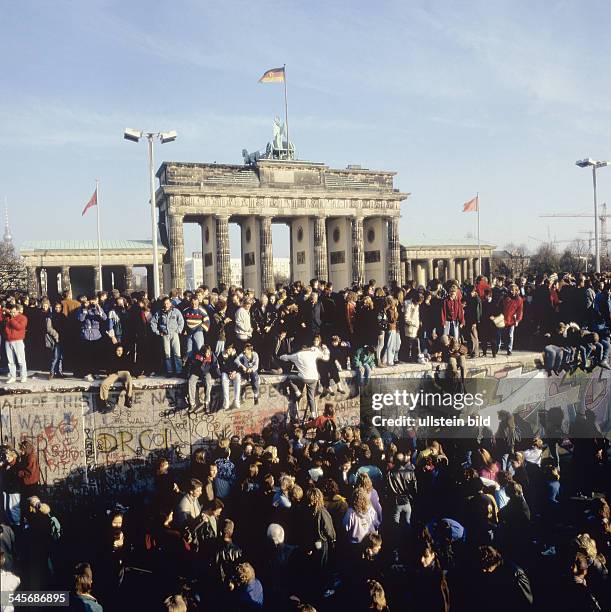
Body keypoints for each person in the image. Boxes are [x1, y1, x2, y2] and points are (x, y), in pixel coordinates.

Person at [280, 342, 330, 421]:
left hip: (303, 378)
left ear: (300, 349)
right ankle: (313, 414)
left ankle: (298, 393)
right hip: (314, 378)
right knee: (311, 396)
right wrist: (325, 348)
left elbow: (285, 358)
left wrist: (280, 356)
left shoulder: (297, 355)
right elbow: (326, 357)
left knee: (289, 378)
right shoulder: (313, 353)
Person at [150, 297, 185, 376]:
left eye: (168, 303)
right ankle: (169, 371)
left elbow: (181, 321)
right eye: (165, 303)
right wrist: (158, 332)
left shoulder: (176, 311)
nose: (166, 305)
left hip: (174, 334)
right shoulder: (159, 312)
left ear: (171, 303)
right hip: (165, 335)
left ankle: (179, 371)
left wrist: (178, 330)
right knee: (167, 354)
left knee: (177, 353)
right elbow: (153, 322)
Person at [76, 296, 107, 380]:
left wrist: (98, 307)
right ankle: (87, 373)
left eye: (94, 301)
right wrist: (85, 309)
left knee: (96, 355)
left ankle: (95, 372)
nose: (92, 303)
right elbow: (80, 319)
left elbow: (104, 318)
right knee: (86, 356)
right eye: (91, 301)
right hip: (86, 335)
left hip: (96, 335)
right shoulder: (81, 308)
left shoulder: (97, 308)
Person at [99, 344, 133, 411]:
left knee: (129, 379)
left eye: (121, 350)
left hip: (124, 373)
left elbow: (130, 368)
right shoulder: (111, 358)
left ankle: (128, 399)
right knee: (104, 384)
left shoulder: (125, 357)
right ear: (115, 351)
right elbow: (108, 369)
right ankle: (104, 402)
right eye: (118, 350)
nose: (120, 352)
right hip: (115, 373)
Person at [186, 344, 218, 412]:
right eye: (207, 353)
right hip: (196, 372)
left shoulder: (211, 355)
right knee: (191, 381)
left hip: (206, 372)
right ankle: (192, 403)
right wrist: (188, 374)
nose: (209, 354)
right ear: (203, 352)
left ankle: (206, 403)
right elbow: (190, 365)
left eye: (209, 352)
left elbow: (215, 365)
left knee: (208, 381)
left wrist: (218, 375)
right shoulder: (197, 356)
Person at [1, 304, 28, 383]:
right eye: (11, 312)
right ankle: (13, 377)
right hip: (8, 341)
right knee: (10, 361)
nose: (12, 314)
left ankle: (24, 376)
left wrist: (11, 319)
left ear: (18, 311)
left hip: (18, 341)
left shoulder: (23, 318)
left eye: (14, 312)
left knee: (21, 360)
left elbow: (19, 327)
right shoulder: (7, 318)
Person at [46, 302, 67, 379]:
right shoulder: (51, 316)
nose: (57, 309)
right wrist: (56, 335)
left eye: (59, 307)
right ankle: (52, 372)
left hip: (63, 338)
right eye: (56, 307)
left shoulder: (63, 316)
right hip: (55, 338)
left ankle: (59, 372)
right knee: (56, 356)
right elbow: (48, 328)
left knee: (61, 356)